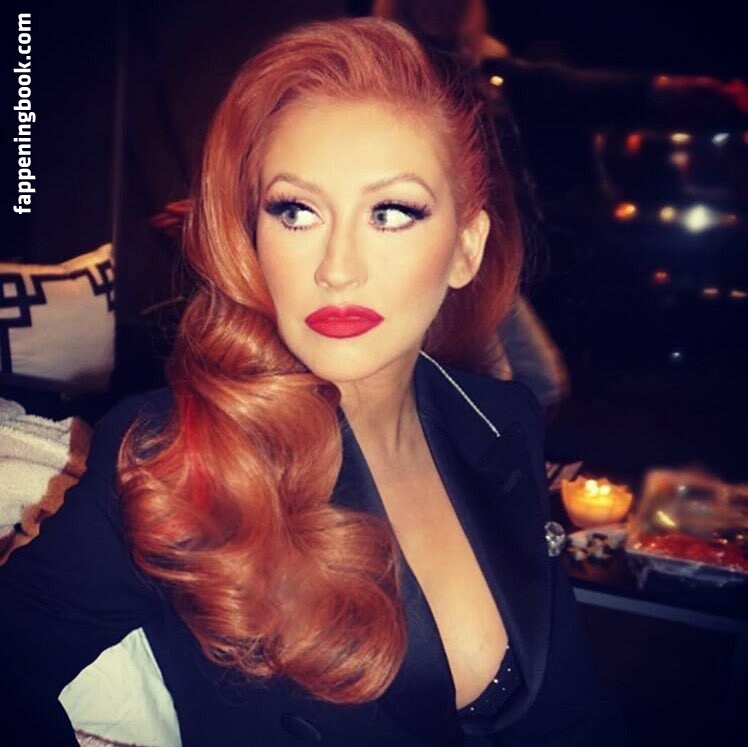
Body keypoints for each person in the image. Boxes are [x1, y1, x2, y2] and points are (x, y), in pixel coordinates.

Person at [0, 18, 630, 746]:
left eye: (391, 212)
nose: (337, 268)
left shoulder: (498, 417)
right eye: (296, 211)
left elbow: (570, 709)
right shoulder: (176, 455)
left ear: (465, 248)